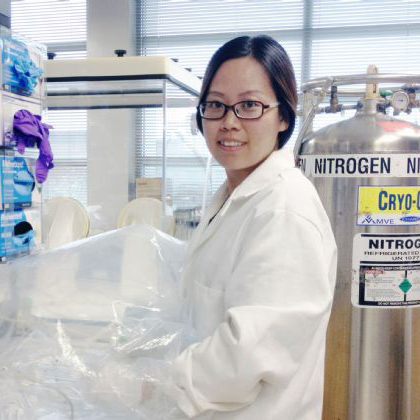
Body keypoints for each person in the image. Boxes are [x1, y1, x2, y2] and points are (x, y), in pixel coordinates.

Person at [165, 35, 337, 419]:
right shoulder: (234, 198)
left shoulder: (285, 210)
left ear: (283, 116)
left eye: (249, 106)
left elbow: (247, 356)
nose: (229, 122)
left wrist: (155, 380)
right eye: (216, 105)